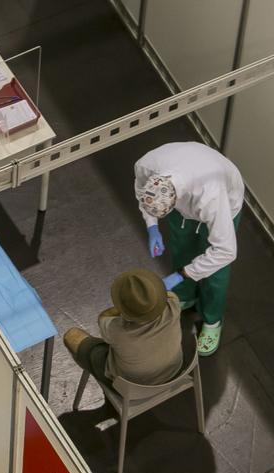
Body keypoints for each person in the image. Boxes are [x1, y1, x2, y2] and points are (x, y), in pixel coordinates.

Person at [134, 142, 244, 356]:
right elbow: (141, 193)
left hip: (224, 202)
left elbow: (226, 251)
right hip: (183, 202)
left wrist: (182, 274)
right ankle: (185, 296)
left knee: (216, 271)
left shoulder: (211, 196)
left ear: (178, 198)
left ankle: (212, 320)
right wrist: (152, 226)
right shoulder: (147, 166)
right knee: (182, 248)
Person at [63, 269, 184, 386]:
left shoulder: (116, 330)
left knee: (72, 335)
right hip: (175, 371)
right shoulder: (173, 303)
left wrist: (128, 306)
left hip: (132, 386)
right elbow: (165, 295)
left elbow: (103, 317)